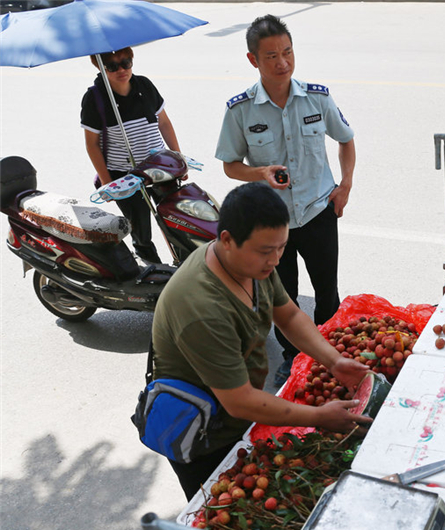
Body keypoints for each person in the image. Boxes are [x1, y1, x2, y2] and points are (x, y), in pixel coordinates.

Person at [151, 182, 372, 499]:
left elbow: (290, 316)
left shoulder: (251, 262)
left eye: (281, 247)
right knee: (221, 514)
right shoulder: (202, 308)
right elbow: (239, 401)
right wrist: (319, 417)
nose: (276, 259)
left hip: (238, 413)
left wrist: (334, 361)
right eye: (267, 251)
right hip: (201, 434)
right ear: (226, 240)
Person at [215, 14, 356, 388]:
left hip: (318, 212)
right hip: (272, 226)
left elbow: (346, 139)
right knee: (284, 297)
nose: (283, 63)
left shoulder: (317, 98)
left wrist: (345, 185)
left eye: (288, 52)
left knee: (327, 291)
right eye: (272, 56)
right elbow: (230, 165)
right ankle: (293, 359)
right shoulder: (240, 110)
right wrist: (258, 173)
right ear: (253, 61)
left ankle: (329, 352)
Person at [80, 47, 182, 264]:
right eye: (113, 66)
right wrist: (108, 183)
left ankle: (184, 263)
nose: (122, 70)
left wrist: (178, 159)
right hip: (124, 176)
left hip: (160, 167)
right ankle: (154, 271)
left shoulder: (144, 85)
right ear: (100, 67)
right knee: (141, 230)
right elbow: (92, 145)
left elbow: (163, 122)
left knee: (176, 220)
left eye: (126, 62)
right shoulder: (94, 98)